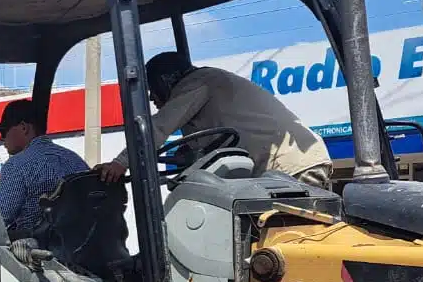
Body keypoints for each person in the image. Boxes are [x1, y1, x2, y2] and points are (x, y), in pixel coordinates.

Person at [95, 52, 332, 187]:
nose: (151, 97)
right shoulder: (212, 96)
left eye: (152, 88)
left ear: (166, 81)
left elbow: (159, 126)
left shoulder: (197, 82)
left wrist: (121, 163)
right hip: (285, 169)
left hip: (290, 170)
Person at [0, 98, 90, 238]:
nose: (1, 138)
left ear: (24, 127)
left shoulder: (16, 165)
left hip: (38, 254)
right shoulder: (76, 160)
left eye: (4, 131)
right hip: (82, 251)